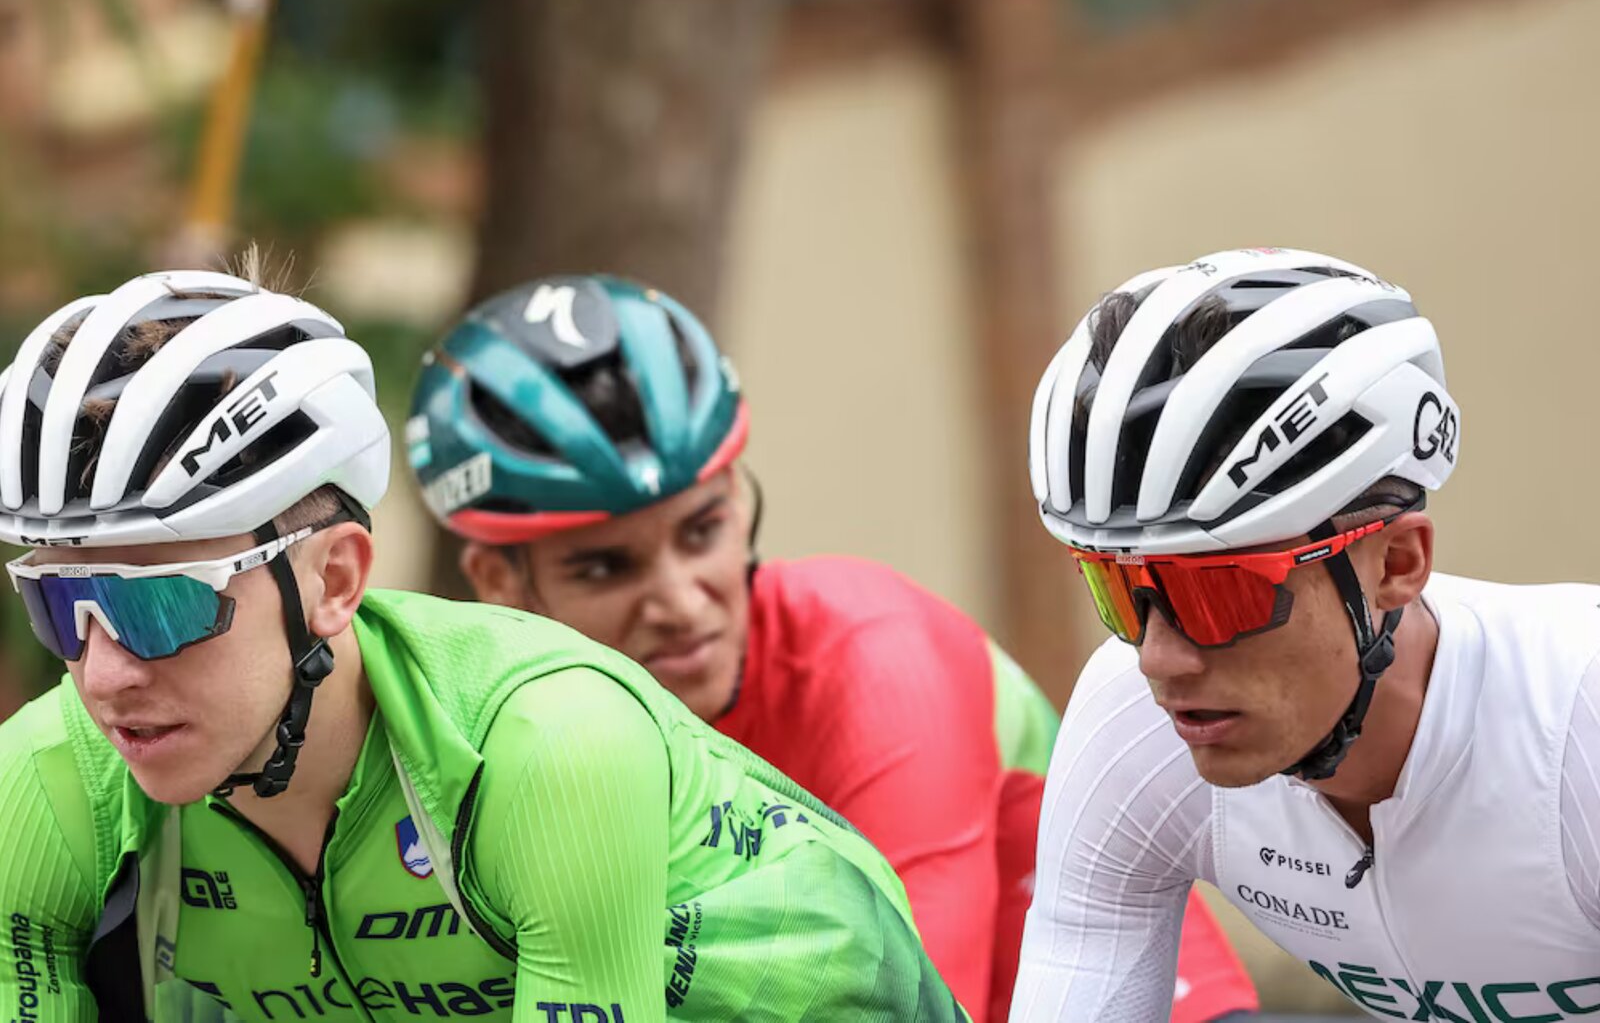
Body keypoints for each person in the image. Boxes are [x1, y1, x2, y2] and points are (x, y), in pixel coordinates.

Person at [0, 268, 968, 1022]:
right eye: (60, 601)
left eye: (164, 605)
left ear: (334, 581)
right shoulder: (45, 782)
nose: (105, 670)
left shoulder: (552, 742)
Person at [405, 274, 1260, 1023]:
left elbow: (905, 1004)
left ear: (739, 496)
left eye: (702, 530)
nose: (680, 601)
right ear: (497, 580)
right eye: (605, 566)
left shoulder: (876, 660)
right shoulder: (485, 730)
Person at [1012, 245, 1600, 1021]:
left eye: (1220, 592)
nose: (1158, 657)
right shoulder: (1129, 725)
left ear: (1397, 562)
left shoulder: (1581, 726)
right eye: (1121, 593)